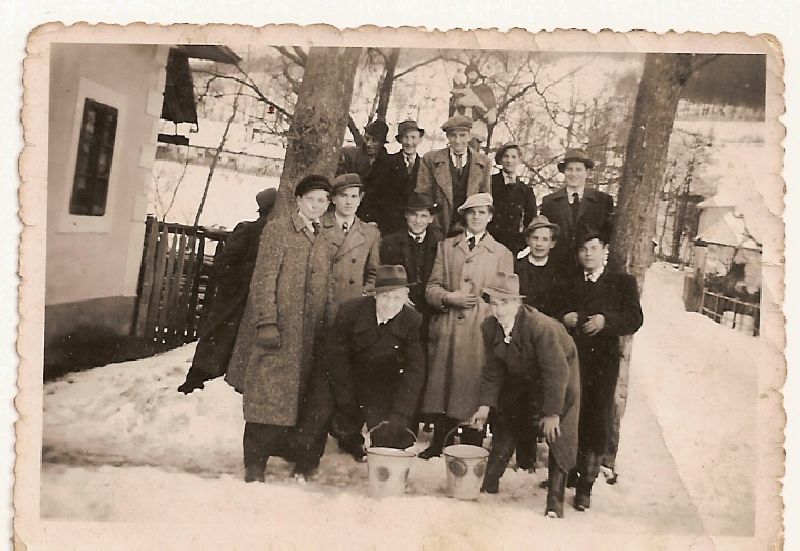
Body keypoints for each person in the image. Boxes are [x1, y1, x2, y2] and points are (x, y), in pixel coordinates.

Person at [225, 175, 334, 483]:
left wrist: (328, 324)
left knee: (299, 398)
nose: (316, 206)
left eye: (322, 201)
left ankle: (293, 455)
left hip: (310, 334)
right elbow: (264, 279)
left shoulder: (322, 237)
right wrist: (266, 322)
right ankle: (255, 463)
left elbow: (327, 284)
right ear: (298, 200)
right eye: (311, 199)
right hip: (280, 330)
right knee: (267, 395)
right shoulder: (278, 230)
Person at [469, 271, 580, 518]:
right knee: (507, 414)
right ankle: (490, 482)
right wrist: (485, 405)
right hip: (523, 373)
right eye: (494, 303)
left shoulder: (539, 326)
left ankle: (555, 500)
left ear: (517, 302)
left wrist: (552, 413)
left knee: (558, 431)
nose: (498, 310)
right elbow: (493, 370)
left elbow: (556, 372)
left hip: (561, 373)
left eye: (505, 303)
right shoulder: (489, 326)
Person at [418, 193, 513, 459]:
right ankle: (440, 440)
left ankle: (473, 441)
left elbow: (507, 294)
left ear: (490, 217)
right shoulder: (447, 247)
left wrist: (487, 307)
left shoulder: (501, 253)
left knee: (474, 383)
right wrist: (449, 297)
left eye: (482, 212)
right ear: (464, 217)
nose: (476, 217)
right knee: (445, 383)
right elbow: (431, 288)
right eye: (471, 212)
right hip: (449, 325)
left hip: (481, 329)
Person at [555, 226, 643, 511]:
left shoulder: (621, 282)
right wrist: (564, 317)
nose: (588, 254)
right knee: (572, 415)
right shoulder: (570, 282)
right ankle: (568, 471)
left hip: (602, 364)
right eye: (583, 249)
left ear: (605, 251)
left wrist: (606, 321)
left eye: (593, 248)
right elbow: (553, 309)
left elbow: (634, 318)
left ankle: (586, 485)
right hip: (572, 359)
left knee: (596, 420)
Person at [178, 188, 277, 394]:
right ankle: (195, 383)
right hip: (235, 297)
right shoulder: (248, 230)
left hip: (253, 298)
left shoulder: (278, 233)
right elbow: (224, 264)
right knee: (217, 337)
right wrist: (240, 285)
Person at [314, 172, 381, 462]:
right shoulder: (320, 224)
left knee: (350, 378)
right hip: (321, 311)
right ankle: (310, 437)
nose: (349, 202)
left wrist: (362, 300)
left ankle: (349, 435)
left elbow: (374, 272)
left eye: (355, 196)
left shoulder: (370, 233)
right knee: (318, 376)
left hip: (352, 315)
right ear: (333, 199)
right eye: (343, 196)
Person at [325, 265, 427, 450]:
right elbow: (337, 360)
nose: (390, 304)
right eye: (385, 296)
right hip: (350, 381)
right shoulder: (350, 311)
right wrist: (347, 401)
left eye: (397, 298)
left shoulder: (412, 320)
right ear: (375, 295)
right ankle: (348, 436)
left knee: (390, 442)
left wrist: (400, 413)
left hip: (382, 384)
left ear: (406, 298)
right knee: (334, 415)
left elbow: (415, 370)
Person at [539, 149, 614, 279]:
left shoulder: (602, 200)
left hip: (590, 269)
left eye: (578, 170)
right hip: (558, 270)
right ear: (564, 172)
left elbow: (607, 235)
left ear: (587, 172)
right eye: (569, 169)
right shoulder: (549, 202)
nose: (573, 174)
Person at [415, 115, 492, 238]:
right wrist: (434, 225)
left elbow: (484, 199)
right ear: (447, 136)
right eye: (453, 135)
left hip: (469, 228)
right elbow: (423, 195)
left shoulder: (483, 162)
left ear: (469, 136)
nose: (457, 140)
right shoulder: (431, 159)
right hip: (438, 226)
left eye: (462, 135)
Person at [362, 120, 425, 235]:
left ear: (420, 140)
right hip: (388, 225)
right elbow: (372, 194)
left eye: (413, 137)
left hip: (414, 226)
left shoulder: (425, 166)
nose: (409, 142)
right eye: (405, 137)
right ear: (400, 140)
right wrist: (372, 219)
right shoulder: (386, 162)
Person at [487, 142, 537, 256]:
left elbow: (531, 221)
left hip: (511, 246)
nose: (509, 161)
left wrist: (520, 243)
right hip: (489, 242)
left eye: (514, 157)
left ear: (519, 160)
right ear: (500, 159)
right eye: (506, 156)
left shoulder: (526, 190)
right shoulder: (490, 183)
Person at [337, 120, 391, 224]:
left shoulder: (388, 162)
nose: (369, 144)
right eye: (366, 138)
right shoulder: (350, 155)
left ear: (382, 142)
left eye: (374, 140)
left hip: (373, 213)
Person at [514, 215, 561, 318]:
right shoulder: (516, 268)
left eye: (545, 239)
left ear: (552, 243)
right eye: (535, 238)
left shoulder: (559, 271)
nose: (539, 244)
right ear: (528, 241)